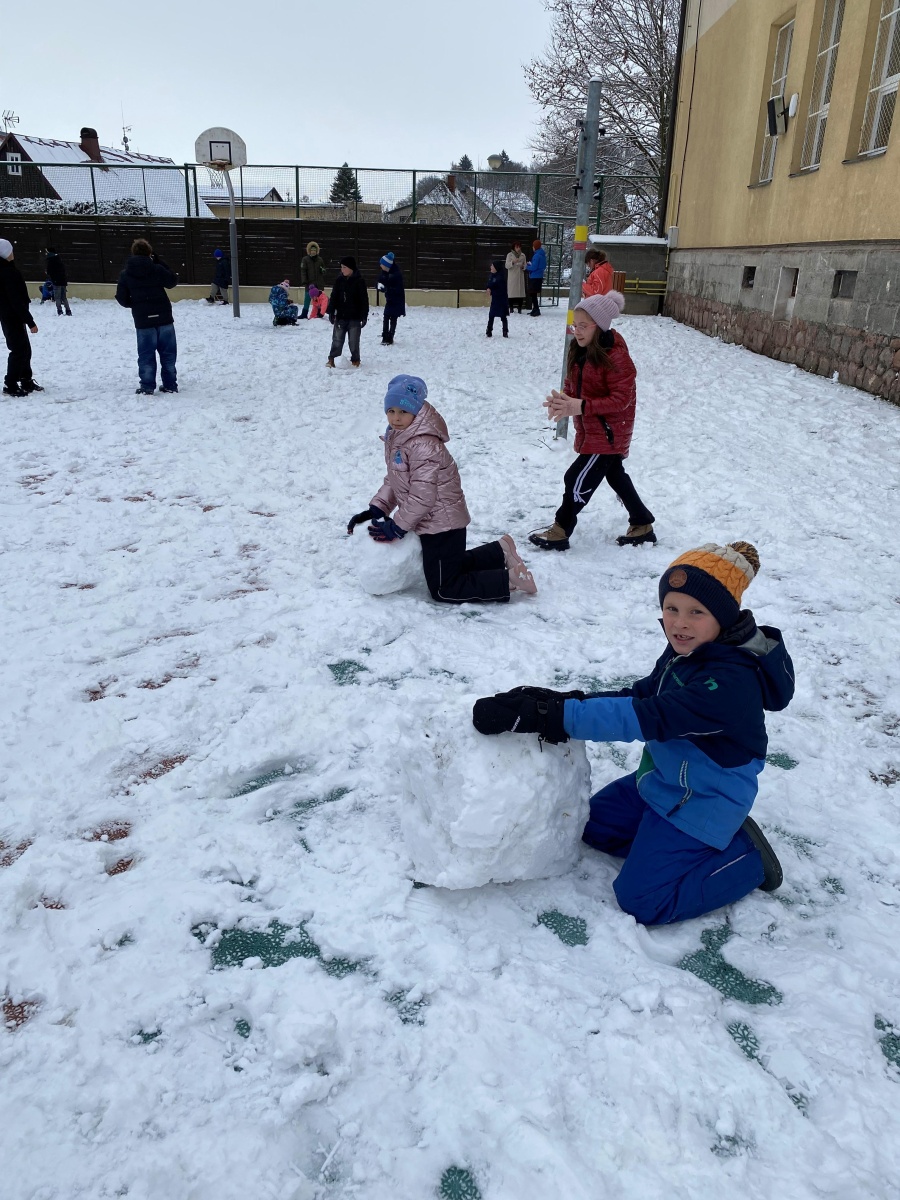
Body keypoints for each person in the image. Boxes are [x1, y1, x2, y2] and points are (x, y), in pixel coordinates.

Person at [472, 540, 795, 926]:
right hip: (665, 781)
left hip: (704, 798)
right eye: (672, 608)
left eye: (696, 612)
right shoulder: (689, 651)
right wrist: (562, 701)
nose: (679, 623)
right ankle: (666, 844)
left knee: (642, 899)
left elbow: (646, 716)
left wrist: (551, 716)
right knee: (593, 826)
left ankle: (746, 857)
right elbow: (641, 695)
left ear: (723, 618)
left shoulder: (729, 685)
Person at [347, 375, 537, 603]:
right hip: (434, 520)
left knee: (444, 588)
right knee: (450, 566)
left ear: (416, 412)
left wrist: (397, 527)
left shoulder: (423, 445)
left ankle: (509, 580)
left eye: (403, 411)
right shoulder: (401, 437)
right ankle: (500, 551)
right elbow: (395, 479)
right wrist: (378, 508)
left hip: (441, 523)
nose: (396, 418)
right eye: (391, 411)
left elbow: (423, 496)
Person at [529, 291, 656, 551]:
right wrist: (563, 402)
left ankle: (561, 530)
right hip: (593, 430)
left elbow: (621, 400)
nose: (576, 331)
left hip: (609, 433)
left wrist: (581, 406)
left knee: (576, 478)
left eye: (583, 326)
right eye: (574, 325)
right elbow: (572, 386)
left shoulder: (616, 357)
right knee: (615, 476)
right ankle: (642, 523)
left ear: (599, 326)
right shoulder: (580, 351)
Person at [115, 238, 178, 396]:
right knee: (168, 354)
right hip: (164, 317)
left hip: (143, 319)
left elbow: (121, 298)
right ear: (150, 253)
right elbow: (172, 281)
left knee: (146, 355)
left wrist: (135, 304)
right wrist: (159, 261)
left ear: (133, 253)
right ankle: (170, 384)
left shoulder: (126, 273)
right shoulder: (157, 269)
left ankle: (147, 386)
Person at [0, 238, 41, 397]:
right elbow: (15, 300)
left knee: (24, 349)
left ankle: (25, 379)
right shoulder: (8, 272)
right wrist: (30, 321)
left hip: (11, 315)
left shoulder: (7, 269)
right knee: (18, 350)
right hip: (12, 316)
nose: (13, 253)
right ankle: (10, 384)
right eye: (10, 250)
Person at [326, 256, 369, 368]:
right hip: (341, 316)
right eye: (341, 267)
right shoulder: (339, 280)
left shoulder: (359, 281)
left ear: (351, 268)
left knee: (354, 341)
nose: (342, 269)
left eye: (344, 267)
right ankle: (332, 359)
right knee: (337, 340)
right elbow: (334, 296)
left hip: (355, 317)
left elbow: (364, 300)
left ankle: (355, 360)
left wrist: (364, 316)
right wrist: (331, 311)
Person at [377, 252, 405, 345]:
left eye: (382, 264)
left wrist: (386, 289)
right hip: (389, 299)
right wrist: (378, 286)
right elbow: (379, 281)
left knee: (393, 318)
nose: (380, 265)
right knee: (386, 316)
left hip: (397, 300)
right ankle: (385, 336)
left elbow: (398, 289)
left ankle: (390, 337)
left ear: (386, 265)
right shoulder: (384, 272)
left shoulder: (396, 274)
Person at [300, 241, 327, 319]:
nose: (313, 252)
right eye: (312, 250)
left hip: (319, 283)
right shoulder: (305, 259)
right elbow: (303, 271)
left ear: (317, 251)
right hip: (309, 283)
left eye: (315, 250)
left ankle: (318, 313)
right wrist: (304, 281)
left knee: (319, 299)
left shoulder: (320, 260)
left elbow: (324, 270)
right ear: (309, 251)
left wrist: (323, 270)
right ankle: (304, 313)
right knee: (307, 298)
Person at [485, 259, 509, 338]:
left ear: (496, 268)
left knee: (503, 316)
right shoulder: (492, 275)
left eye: (492, 266)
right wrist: (488, 288)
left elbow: (500, 289)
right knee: (491, 315)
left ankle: (505, 331)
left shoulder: (501, 277)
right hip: (495, 299)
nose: (491, 267)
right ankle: (489, 330)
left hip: (501, 299)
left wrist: (491, 290)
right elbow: (489, 283)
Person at [46, 246, 72, 315]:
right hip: (63, 281)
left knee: (57, 297)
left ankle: (59, 311)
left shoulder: (50, 261)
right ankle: (68, 311)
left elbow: (49, 271)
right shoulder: (59, 259)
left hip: (56, 282)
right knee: (64, 297)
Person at [505, 241, 527, 314]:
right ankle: (511, 308)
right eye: (517, 247)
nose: (518, 249)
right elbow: (506, 265)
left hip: (520, 276)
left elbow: (525, 265)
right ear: (514, 247)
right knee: (511, 293)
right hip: (512, 276)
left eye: (519, 247)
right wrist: (513, 262)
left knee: (520, 293)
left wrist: (523, 267)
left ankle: (519, 308)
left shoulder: (523, 255)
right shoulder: (509, 255)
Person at [526, 238, 547, 316]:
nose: (532, 247)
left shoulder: (537, 255)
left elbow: (534, 267)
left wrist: (527, 266)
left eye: (533, 246)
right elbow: (542, 266)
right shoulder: (542, 255)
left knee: (533, 294)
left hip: (534, 277)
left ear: (535, 247)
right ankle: (535, 309)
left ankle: (536, 309)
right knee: (534, 294)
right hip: (539, 276)